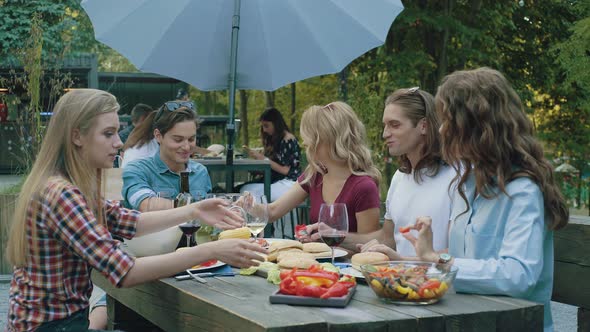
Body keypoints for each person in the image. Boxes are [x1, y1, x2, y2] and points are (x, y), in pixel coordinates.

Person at [5, 89, 266, 331]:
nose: (119, 142)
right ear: (76, 136)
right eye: (108, 134)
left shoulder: (69, 185)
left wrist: (193, 210)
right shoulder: (62, 194)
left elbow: (124, 220)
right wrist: (210, 250)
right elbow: (125, 272)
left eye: (117, 132)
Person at [369, 68, 569, 332]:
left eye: (447, 120)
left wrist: (439, 261)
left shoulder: (523, 190)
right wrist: (421, 258)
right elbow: (464, 260)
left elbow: (519, 275)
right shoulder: (468, 183)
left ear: (476, 126)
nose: (440, 129)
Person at [312, 88, 455, 256]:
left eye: (395, 125)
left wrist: (402, 261)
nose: (385, 134)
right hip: (398, 280)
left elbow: (462, 254)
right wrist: (333, 234)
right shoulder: (400, 177)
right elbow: (387, 238)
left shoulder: (455, 178)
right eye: (385, 126)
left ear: (423, 126)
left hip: (439, 281)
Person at [263, 102, 381, 234]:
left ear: (329, 139)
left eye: (311, 137)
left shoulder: (363, 187)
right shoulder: (315, 175)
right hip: (315, 255)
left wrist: (327, 240)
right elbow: (272, 212)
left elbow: (368, 248)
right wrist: (244, 207)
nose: (305, 142)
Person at [122, 100, 211, 211]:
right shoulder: (137, 170)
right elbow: (145, 204)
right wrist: (198, 209)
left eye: (191, 139)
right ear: (158, 136)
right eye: (178, 140)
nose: (187, 147)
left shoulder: (201, 172)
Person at [240, 107, 302, 202]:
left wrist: (264, 159)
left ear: (276, 124)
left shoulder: (288, 140)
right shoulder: (277, 139)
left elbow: (286, 170)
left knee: (247, 191)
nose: (264, 130)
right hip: (277, 180)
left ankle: (263, 215)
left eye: (266, 126)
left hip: (289, 183)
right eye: (263, 126)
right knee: (242, 188)